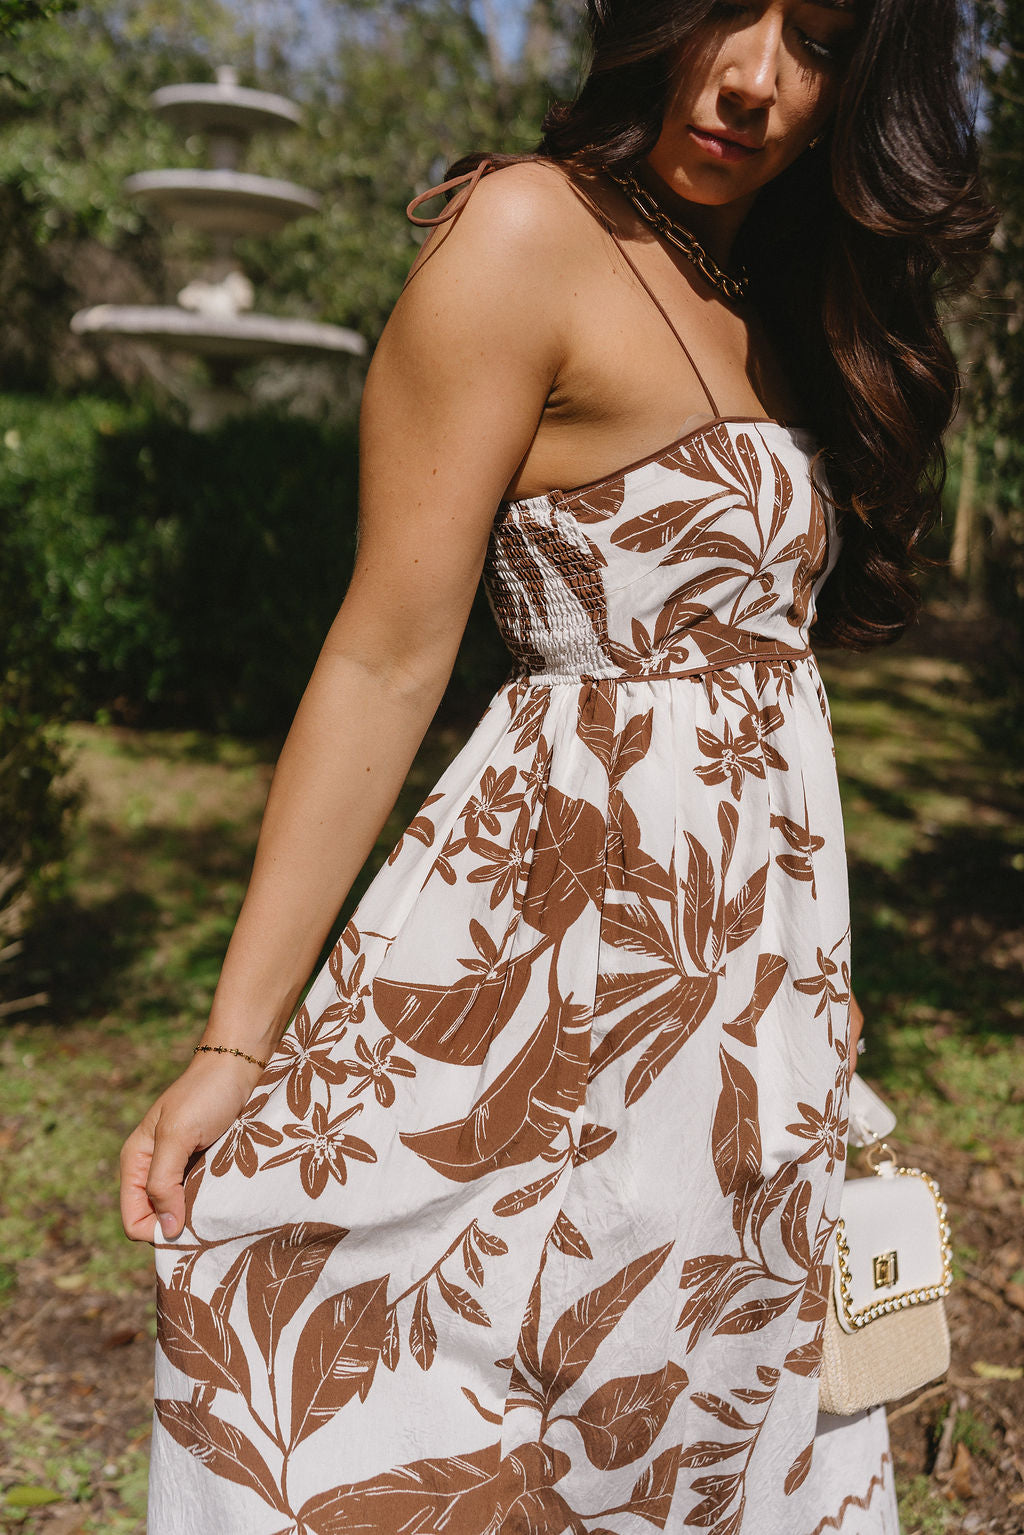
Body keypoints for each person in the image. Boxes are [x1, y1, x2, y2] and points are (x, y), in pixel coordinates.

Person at [121, 1, 992, 1530]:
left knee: (710, 1421)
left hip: (748, 1009)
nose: (751, 77)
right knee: (441, 1385)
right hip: (560, 961)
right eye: (731, 9)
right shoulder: (524, 231)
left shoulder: (763, 294)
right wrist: (234, 1047)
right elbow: (385, 655)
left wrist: (816, 987)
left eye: (820, 45)